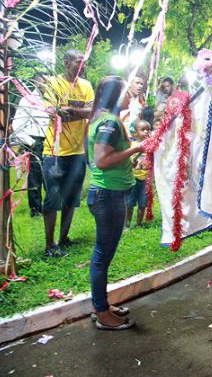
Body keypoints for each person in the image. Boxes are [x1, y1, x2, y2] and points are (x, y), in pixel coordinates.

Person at [86, 75, 143, 330]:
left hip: (109, 193)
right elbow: (101, 160)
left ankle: (102, 304)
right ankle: (102, 313)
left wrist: (130, 159)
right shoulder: (109, 122)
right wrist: (136, 149)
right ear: (117, 96)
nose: (131, 94)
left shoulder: (106, 119)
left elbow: (111, 159)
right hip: (107, 195)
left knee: (103, 254)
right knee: (102, 255)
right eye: (127, 92)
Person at [42, 49, 94, 257]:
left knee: (72, 198)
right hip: (54, 151)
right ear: (66, 62)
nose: (82, 65)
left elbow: (92, 111)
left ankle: (63, 239)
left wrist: (70, 112)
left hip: (77, 152)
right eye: (77, 61)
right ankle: (49, 245)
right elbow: (52, 111)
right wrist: (75, 113)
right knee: (53, 197)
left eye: (83, 61)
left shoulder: (87, 85)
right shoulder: (53, 83)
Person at [11, 73, 50, 217]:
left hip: (50, 140)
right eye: (43, 81)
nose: (46, 84)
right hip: (35, 141)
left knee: (50, 174)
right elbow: (17, 125)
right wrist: (32, 143)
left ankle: (51, 205)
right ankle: (36, 210)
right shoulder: (27, 100)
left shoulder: (50, 99)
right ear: (36, 83)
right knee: (35, 176)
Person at [125, 120, 151, 229]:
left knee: (142, 204)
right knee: (129, 204)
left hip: (145, 180)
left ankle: (139, 224)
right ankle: (127, 224)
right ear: (135, 133)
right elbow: (127, 161)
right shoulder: (132, 145)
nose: (146, 132)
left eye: (148, 130)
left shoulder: (151, 146)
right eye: (142, 130)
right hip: (133, 179)